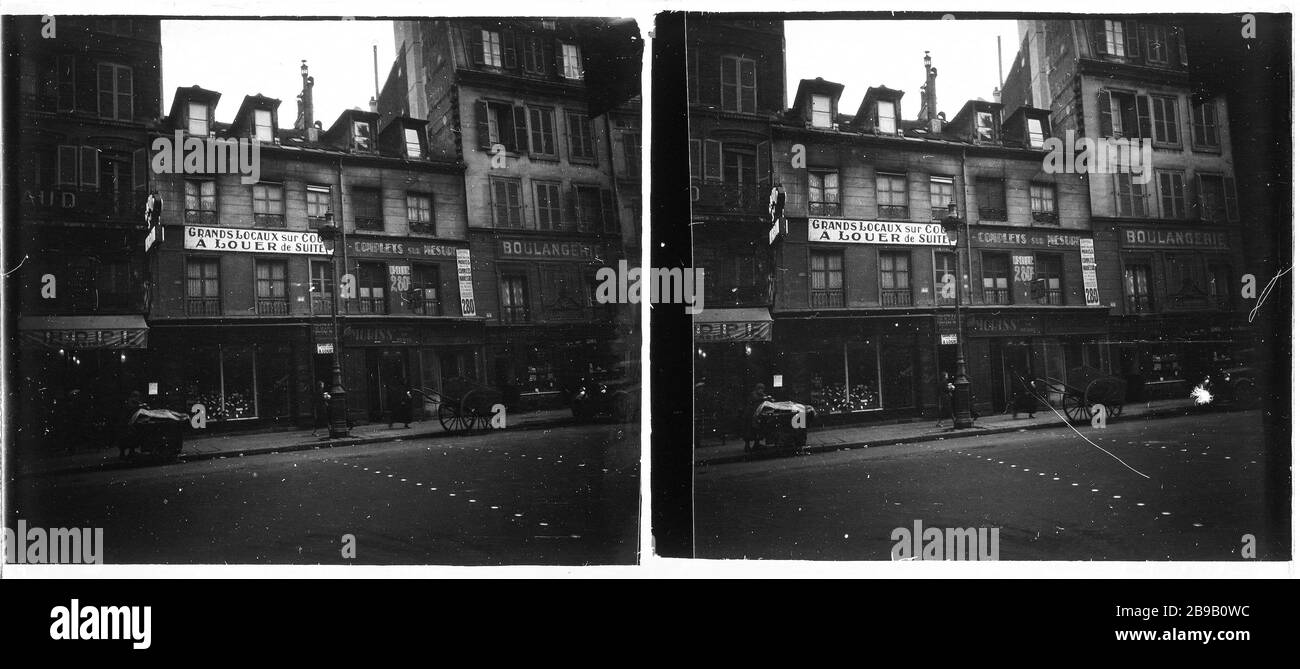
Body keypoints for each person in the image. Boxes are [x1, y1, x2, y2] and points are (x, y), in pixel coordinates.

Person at [118, 390, 144, 459]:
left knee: (128, 438)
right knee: (131, 437)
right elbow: (132, 410)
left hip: (126, 423)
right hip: (127, 423)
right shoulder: (132, 402)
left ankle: (126, 452)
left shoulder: (131, 402)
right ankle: (128, 452)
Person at [742, 382, 767, 452]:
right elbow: (756, 399)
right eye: (759, 388)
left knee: (757, 431)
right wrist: (764, 398)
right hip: (750, 415)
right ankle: (747, 446)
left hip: (757, 415)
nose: (761, 390)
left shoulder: (762, 395)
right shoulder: (753, 394)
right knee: (749, 431)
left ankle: (756, 444)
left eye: (762, 389)